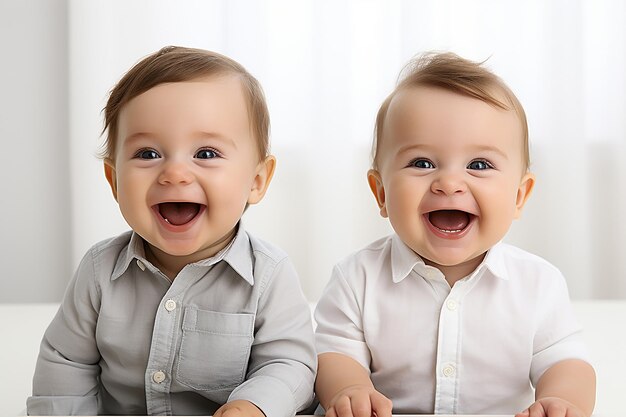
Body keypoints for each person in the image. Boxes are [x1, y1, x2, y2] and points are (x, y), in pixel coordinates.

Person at [27, 46, 316, 417]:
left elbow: (289, 362)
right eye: (148, 154)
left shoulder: (268, 273)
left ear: (257, 181)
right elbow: (65, 361)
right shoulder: (99, 271)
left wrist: (256, 406)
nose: (174, 173)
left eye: (206, 153)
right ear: (114, 181)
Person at [314, 52, 596, 417]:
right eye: (422, 163)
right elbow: (334, 353)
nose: (448, 183)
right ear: (381, 192)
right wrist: (350, 389)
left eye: (479, 165)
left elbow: (566, 362)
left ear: (519, 196)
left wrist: (563, 401)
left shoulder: (538, 283)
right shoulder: (357, 277)